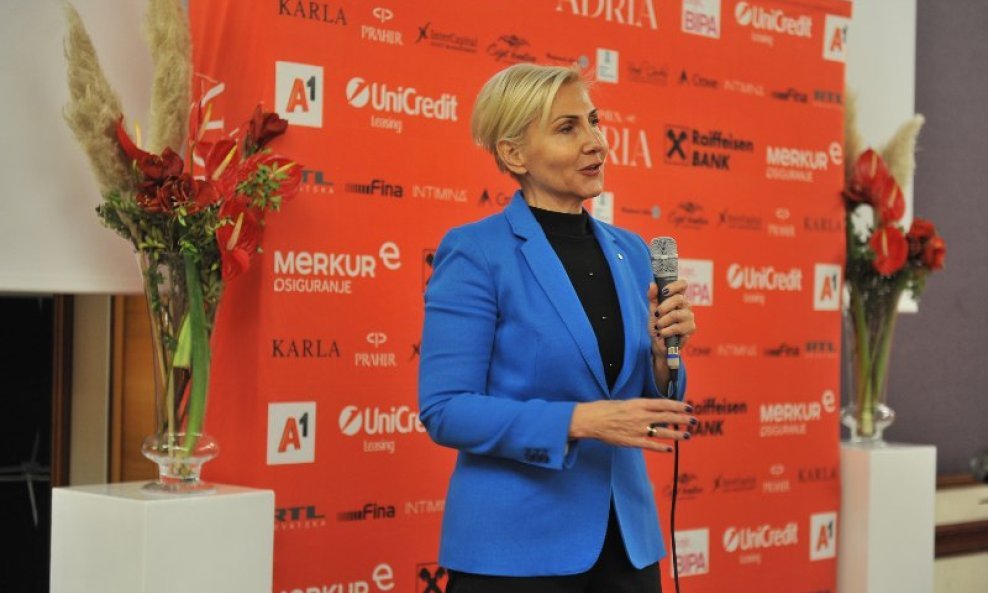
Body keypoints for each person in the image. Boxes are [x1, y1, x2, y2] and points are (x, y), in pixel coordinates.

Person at [418, 63, 698, 593]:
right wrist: (580, 420)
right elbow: (446, 410)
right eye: (567, 128)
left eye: (594, 121)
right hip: (513, 553)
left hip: (628, 548)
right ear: (514, 155)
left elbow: (650, 403)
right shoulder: (476, 252)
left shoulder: (634, 251)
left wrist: (664, 361)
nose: (596, 142)